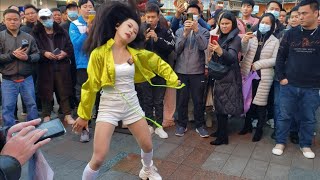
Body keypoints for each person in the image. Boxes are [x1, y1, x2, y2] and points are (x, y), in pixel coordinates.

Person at [71, 2, 182, 180]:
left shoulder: (135, 53)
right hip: (108, 107)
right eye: (129, 25)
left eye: (135, 30)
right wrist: (84, 115)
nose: (131, 31)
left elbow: (156, 62)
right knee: (98, 158)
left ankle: (147, 170)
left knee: (147, 145)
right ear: (117, 25)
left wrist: (172, 78)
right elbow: (90, 85)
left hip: (132, 105)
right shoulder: (99, 53)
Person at [274, 0, 320, 159]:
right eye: (298, 14)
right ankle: (280, 141)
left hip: (312, 87)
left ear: (316, 13)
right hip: (289, 84)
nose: (300, 17)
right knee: (284, 115)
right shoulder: (291, 33)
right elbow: (280, 57)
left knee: (308, 118)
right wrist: (281, 78)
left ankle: (305, 144)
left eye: (304, 13)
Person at [238, 13, 280, 142]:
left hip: (263, 76)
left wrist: (258, 64)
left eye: (268, 23)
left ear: (272, 26)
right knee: (247, 101)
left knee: (261, 104)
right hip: (248, 74)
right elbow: (244, 52)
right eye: (263, 22)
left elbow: (275, 60)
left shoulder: (275, 40)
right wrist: (244, 42)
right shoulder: (252, 36)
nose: (264, 25)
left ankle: (259, 129)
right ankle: (247, 125)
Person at [31, 8, 75, 124]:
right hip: (45, 67)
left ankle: (67, 114)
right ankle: (47, 115)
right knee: (46, 93)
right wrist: (44, 53)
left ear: (52, 17)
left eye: (48, 17)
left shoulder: (62, 31)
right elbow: (34, 49)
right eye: (44, 18)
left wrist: (64, 53)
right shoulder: (35, 33)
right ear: (40, 20)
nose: (47, 20)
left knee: (64, 91)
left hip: (61, 66)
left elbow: (70, 47)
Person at [0, 9, 40, 127]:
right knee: (7, 107)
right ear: (4, 21)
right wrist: (12, 55)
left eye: (15, 19)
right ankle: (9, 131)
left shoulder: (28, 37)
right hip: (8, 79)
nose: (12, 22)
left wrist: (27, 58)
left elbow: (37, 55)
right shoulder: (1, 37)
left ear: (20, 21)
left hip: (26, 78)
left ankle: (33, 128)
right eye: (9, 19)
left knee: (32, 105)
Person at [175, 4, 209, 138]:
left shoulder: (204, 31)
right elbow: (177, 49)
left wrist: (196, 31)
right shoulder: (179, 31)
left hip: (197, 71)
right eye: (189, 14)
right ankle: (181, 125)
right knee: (182, 100)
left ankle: (200, 125)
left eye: (195, 14)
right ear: (185, 16)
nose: (192, 17)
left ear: (199, 16)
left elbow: (203, 46)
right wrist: (185, 34)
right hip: (181, 71)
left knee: (198, 100)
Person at [208, 11, 243, 145]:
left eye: (227, 23)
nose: (224, 26)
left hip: (228, 76)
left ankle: (223, 138)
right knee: (219, 105)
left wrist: (220, 51)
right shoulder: (221, 36)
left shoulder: (236, 38)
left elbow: (233, 58)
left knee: (223, 107)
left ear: (233, 23)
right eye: (222, 23)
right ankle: (220, 131)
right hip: (220, 74)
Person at [141, 3, 175, 138]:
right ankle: (149, 125)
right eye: (148, 17)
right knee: (147, 99)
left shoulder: (165, 30)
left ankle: (159, 126)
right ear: (144, 17)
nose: (150, 20)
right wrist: (144, 39)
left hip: (160, 71)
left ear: (158, 17)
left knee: (159, 100)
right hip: (144, 71)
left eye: (153, 17)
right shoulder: (139, 31)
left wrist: (157, 39)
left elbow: (171, 47)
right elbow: (133, 48)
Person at [69, 0, 95, 142]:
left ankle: (104, 125)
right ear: (79, 9)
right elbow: (77, 45)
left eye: (90, 7)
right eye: (85, 7)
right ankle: (84, 128)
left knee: (100, 95)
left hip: (99, 63)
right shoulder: (75, 25)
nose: (88, 9)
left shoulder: (99, 23)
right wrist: (87, 32)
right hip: (83, 65)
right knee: (84, 97)